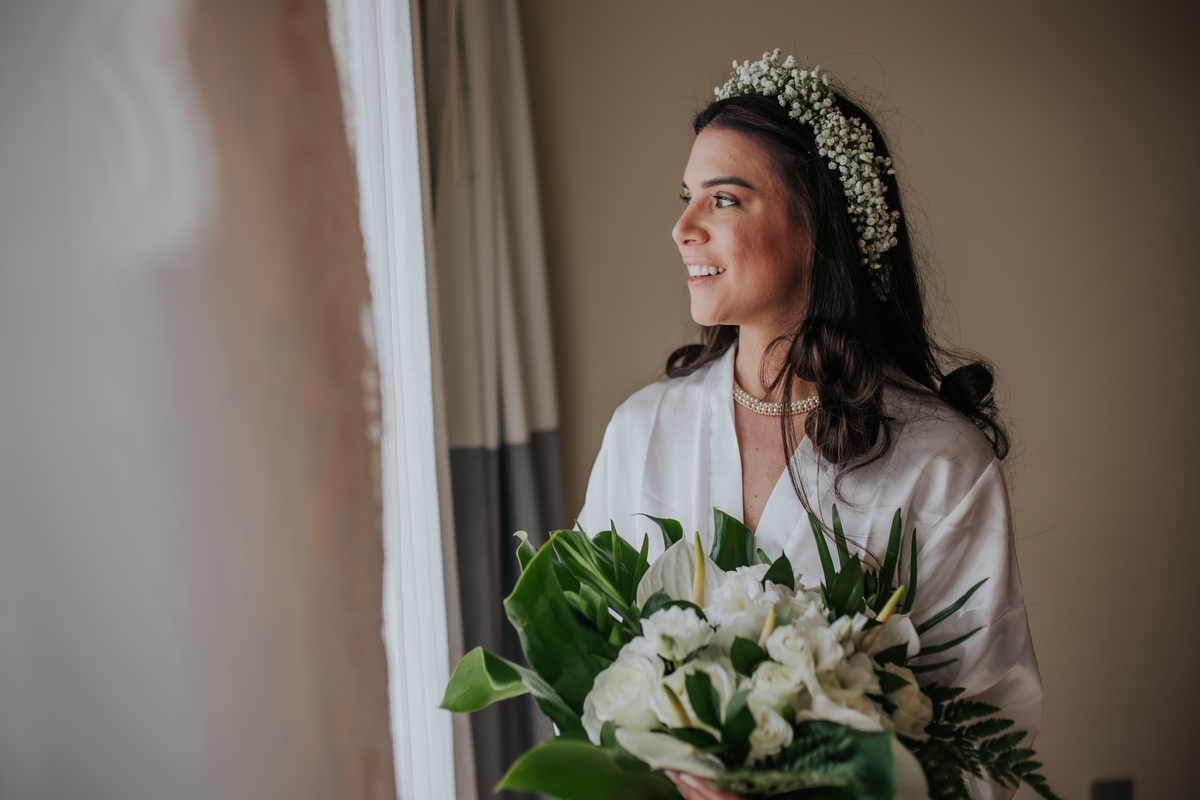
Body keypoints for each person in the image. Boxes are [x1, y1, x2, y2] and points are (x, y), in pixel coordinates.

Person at [577, 53, 1040, 800]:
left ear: (818, 224)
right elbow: (590, 675)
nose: (682, 228)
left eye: (723, 200)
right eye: (687, 198)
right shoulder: (641, 433)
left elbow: (987, 733)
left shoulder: (939, 464)